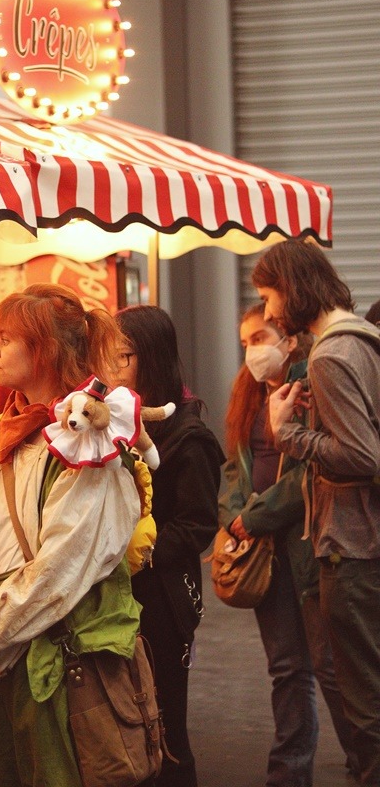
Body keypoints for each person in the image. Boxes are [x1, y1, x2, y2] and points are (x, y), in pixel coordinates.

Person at [0, 283, 142, 787]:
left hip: (55, 659)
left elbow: (61, 569)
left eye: (7, 338)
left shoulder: (92, 440)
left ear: (43, 349)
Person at [252, 239, 380, 787]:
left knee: (365, 703)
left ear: (293, 288)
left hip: (351, 547)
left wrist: (290, 435)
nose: (271, 312)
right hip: (366, 539)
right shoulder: (365, 337)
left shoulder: (331, 352)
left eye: (270, 296)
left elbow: (360, 455)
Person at [219, 302, 357, 787]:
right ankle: (289, 773)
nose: (252, 351)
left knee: (332, 668)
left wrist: (251, 518)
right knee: (287, 669)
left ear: (289, 339)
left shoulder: (311, 388)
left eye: (260, 337)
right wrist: (232, 514)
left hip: (306, 550)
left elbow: (308, 472)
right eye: (245, 343)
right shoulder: (248, 395)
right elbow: (234, 465)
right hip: (263, 553)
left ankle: (366, 762)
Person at [111, 305, 223, 787]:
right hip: (121, 598)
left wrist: (140, 548)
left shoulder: (188, 435)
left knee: (167, 730)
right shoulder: (118, 421)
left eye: (121, 356)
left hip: (163, 600)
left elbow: (198, 524)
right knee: (127, 728)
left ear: (149, 357)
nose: (111, 367)